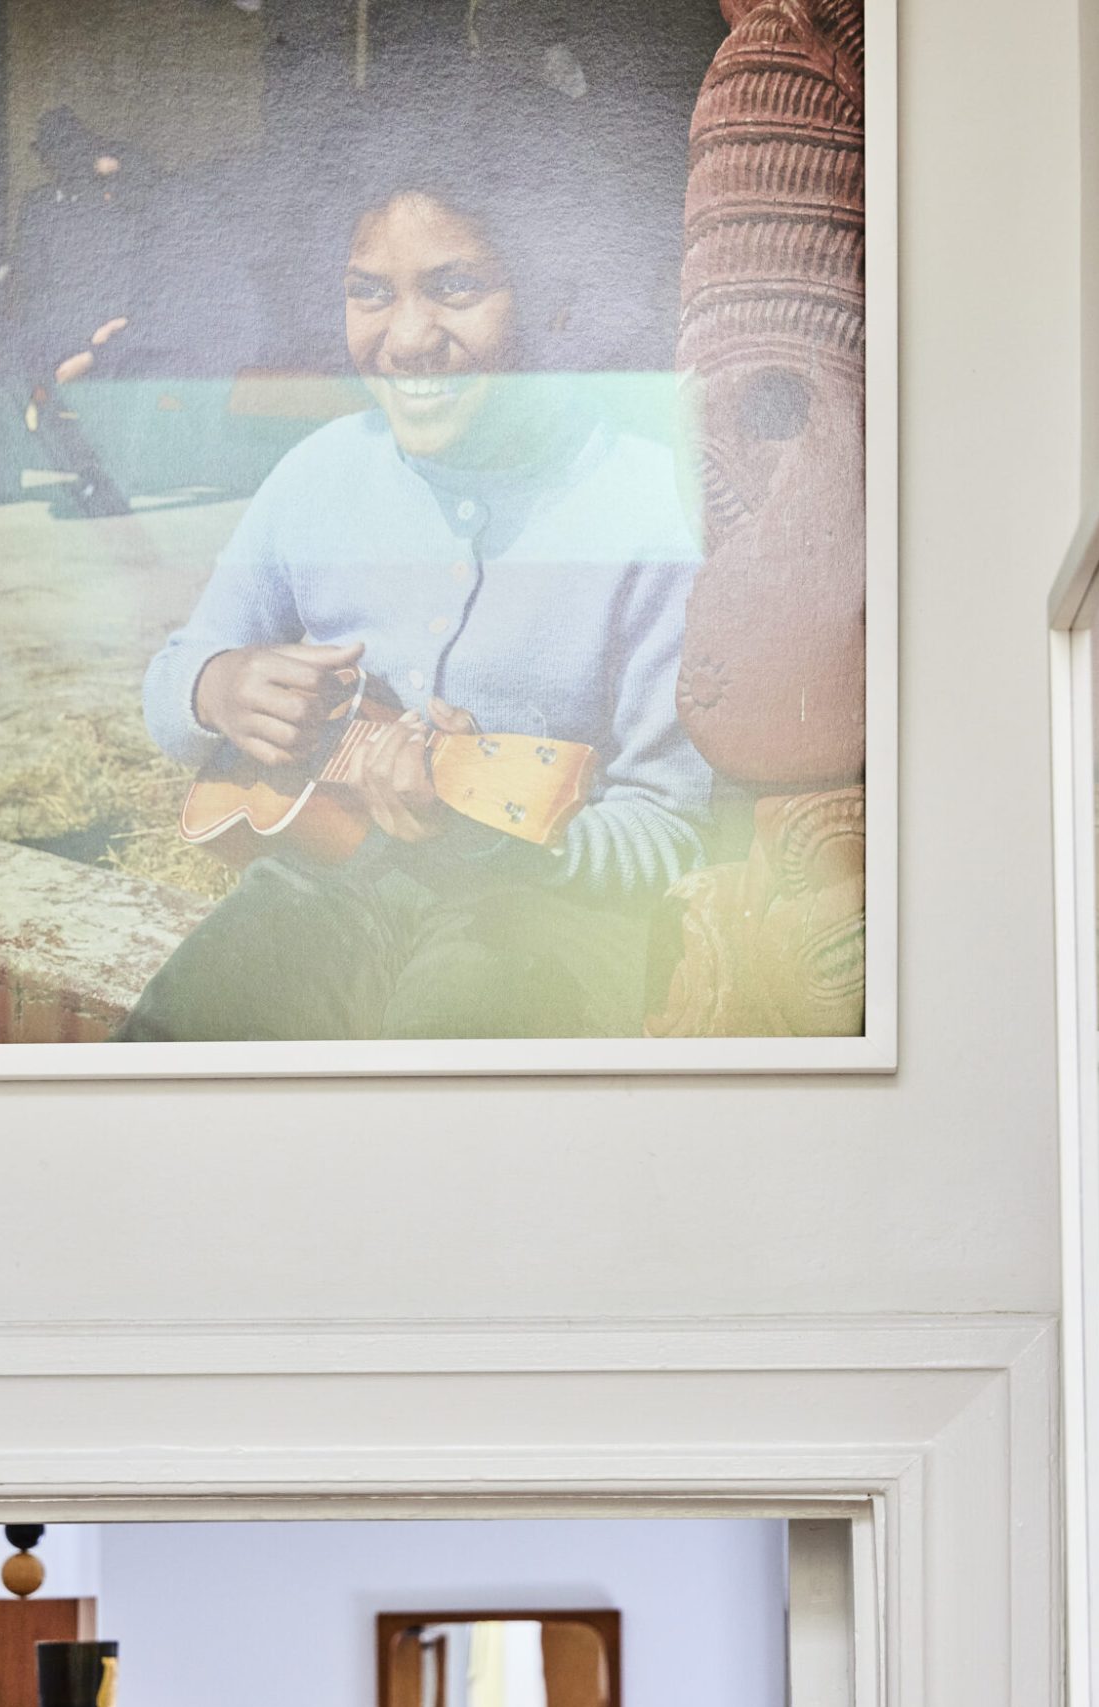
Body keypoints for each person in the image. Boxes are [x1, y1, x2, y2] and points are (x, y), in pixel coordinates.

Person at [120, 121, 708, 1041]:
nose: (408, 339)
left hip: (550, 919)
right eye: (369, 293)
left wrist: (504, 843)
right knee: (170, 1063)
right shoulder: (320, 472)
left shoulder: (648, 510)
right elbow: (174, 675)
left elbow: (672, 827)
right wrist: (218, 687)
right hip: (326, 881)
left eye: (456, 288)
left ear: (552, 298)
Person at [0, 108, 138, 515]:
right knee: (13, 358)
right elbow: (26, 273)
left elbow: (124, 274)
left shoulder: (113, 203)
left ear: (84, 152)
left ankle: (99, 479)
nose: (58, 160)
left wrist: (104, 332)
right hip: (51, 323)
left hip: (98, 326)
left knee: (81, 371)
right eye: (51, 151)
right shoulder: (38, 204)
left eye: (68, 150)